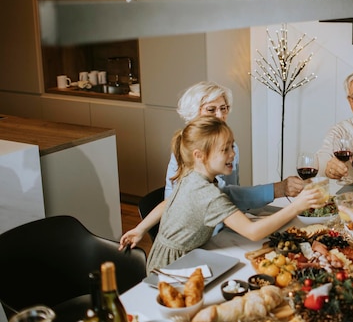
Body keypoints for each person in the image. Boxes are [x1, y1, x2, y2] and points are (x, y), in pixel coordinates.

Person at [122, 82, 305, 247]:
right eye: (211, 110)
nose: (220, 116)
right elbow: (222, 196)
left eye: (224, 108)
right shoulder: (190, 153)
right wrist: (278, 190)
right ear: (194, 114)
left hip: (220, 226)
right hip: (198, 239)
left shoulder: (228, 147)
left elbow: (230, 192)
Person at [138, 116, 325, 273]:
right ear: (199, 155)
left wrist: (140, 229)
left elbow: (170, 201)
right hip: (174, 267)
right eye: (225, 149)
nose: (232, 154)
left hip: (169, 257)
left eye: (232, 147)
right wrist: (296, 206)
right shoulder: (207, 195)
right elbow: (253, 232)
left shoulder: (191, 175)